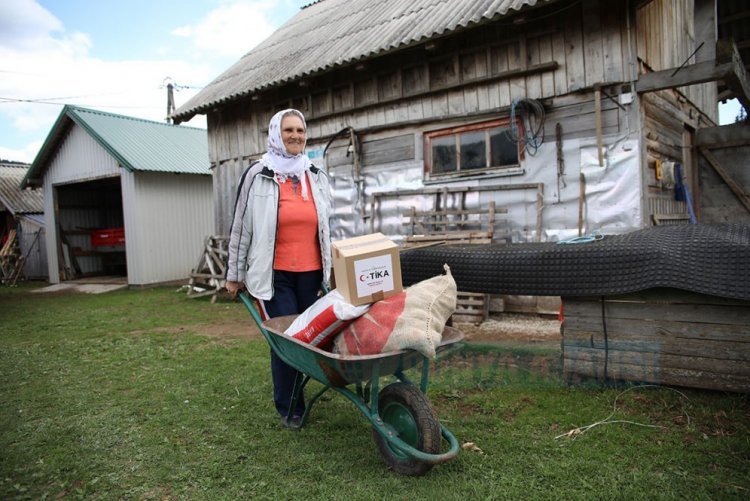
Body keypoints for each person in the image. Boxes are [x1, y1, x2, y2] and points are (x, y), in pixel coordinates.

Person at [225, 108, 332, 427]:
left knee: (310, 338)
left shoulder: (316, 174)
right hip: (275, 276)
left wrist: (333, 268)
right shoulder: (258, 174)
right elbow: (241, 227)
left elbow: (327, 227)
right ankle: (289, 407)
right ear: (276, 133)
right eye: (289, 130)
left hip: (312, 275)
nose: (296, 136)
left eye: (300, 130)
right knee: (286, 341)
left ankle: (299, 391)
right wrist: (234, 274)